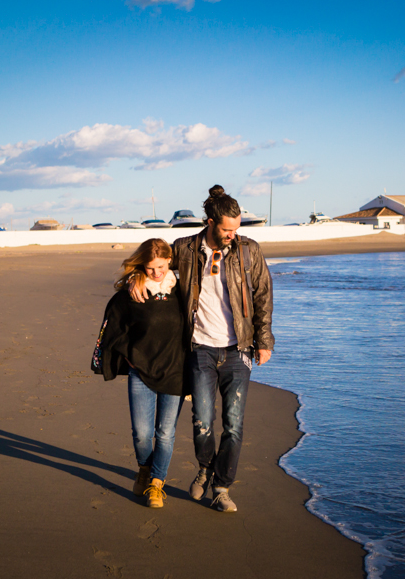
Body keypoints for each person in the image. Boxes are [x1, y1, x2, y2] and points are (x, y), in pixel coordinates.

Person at [131, 185, 274, 512]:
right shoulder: (185, 248)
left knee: (234, 424)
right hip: (200, 350)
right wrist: (135, 278)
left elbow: (263, 295)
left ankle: (221, 488)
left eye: (237, 229)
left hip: (239, 349)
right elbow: (153, 261)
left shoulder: (248, 250)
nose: (232, 235)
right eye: (227, 229)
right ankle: (206, 467)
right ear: (210, 222)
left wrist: (264, 341)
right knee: (203, 423)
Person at [92, 238, 187, 508]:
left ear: (170, 260)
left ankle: (157, 483)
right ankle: (144, 469)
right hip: (141, 371)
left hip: (175, 371)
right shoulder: (133, 291)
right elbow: (112, 324)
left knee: (165, 433)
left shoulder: (182, 291)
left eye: (160, 267)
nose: (155, 273)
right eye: (149, 268)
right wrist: (127, 357)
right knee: (142, 434)